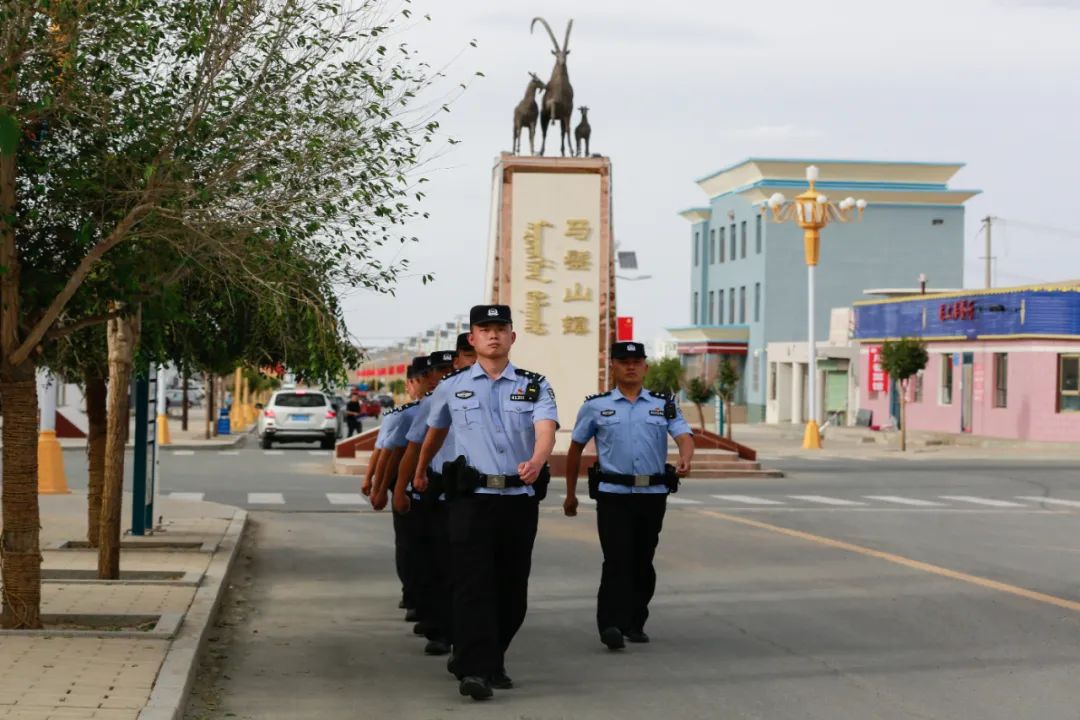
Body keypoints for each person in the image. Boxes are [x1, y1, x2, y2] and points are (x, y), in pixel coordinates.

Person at [413, 305, 557, 701]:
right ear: (472, 339)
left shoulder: (535, 385)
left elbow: (546, 430)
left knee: (512, 589)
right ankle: (475, 669)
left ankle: (489, 659)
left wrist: (538, 459)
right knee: (472, 585)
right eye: (484, 329)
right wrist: (422, 469)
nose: (493, 335)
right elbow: (436, 432)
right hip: (471, 500)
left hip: (518, 499)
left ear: (512, 337)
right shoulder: (451, 386)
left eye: (500, 328)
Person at [564, 341, 694, 650]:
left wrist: (687, 456)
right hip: (613, 494)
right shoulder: (596, 406)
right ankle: (609, 623)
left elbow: (683, 435)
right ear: (613, 366)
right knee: (616, 559)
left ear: (646, 367)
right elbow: (575, 448)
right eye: (624, 361)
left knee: (642, 559)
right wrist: (570, 494)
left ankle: (635, 621)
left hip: (652, 494)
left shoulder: (663, 404)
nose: (631, 366)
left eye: (636, 361)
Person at [392, 348, 469, 657]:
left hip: (477, 493)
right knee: (438, 563)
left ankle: (467, 632)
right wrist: (401, 488)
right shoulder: (436, 399)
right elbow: (410, 449)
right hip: (439, 490)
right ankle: (440, 629)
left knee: (468, 569)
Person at [367, 358, 428, 618]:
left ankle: (430, 602)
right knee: (409, 545)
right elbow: (386, 453)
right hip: (410, 488)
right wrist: (378, 486)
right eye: (427, 378)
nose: (434, 382)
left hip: (442, 489)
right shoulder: (403, 415)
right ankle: (412, 593)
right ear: (412, 383)